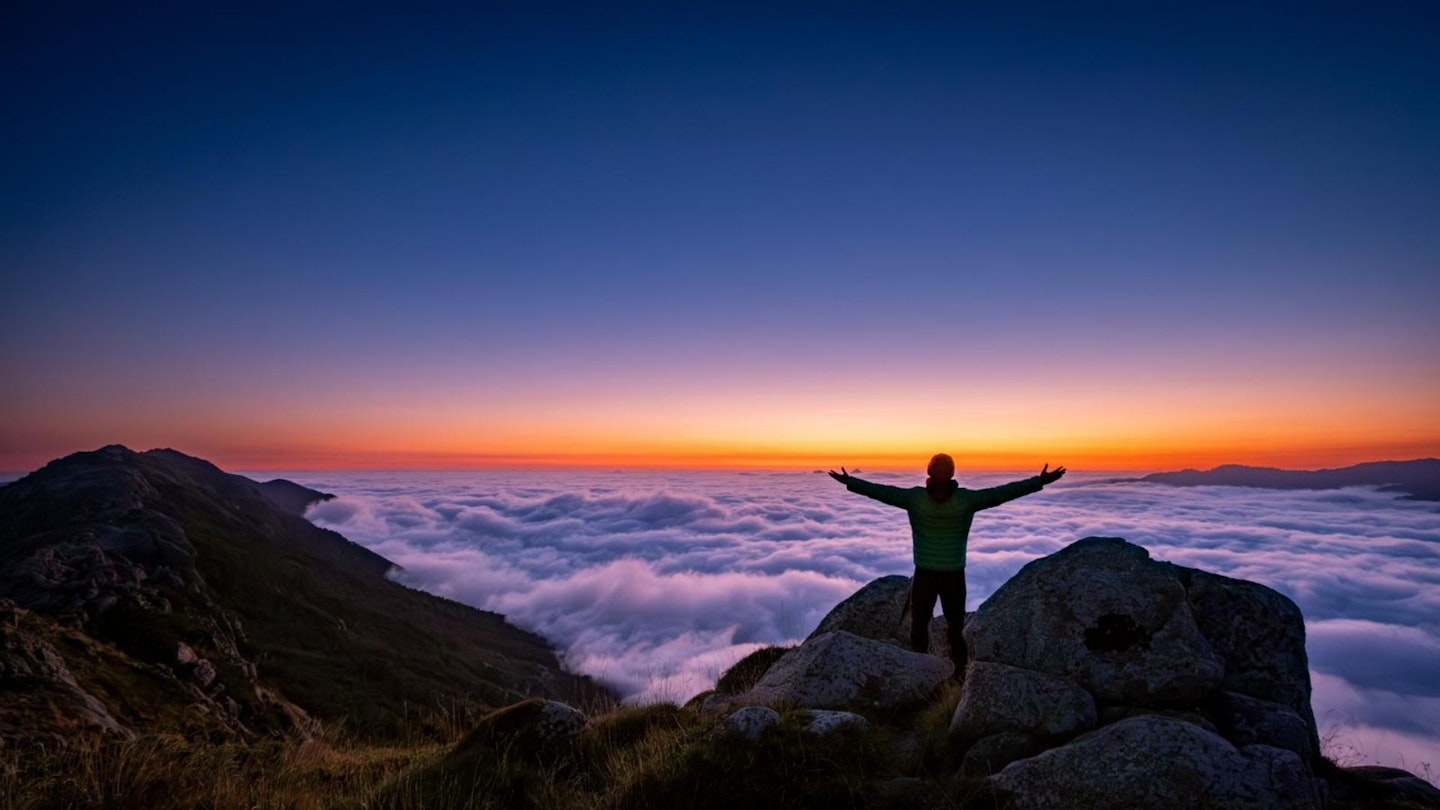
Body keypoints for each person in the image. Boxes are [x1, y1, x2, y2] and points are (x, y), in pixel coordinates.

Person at [828, 454, 1065, 673]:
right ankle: (959, 674)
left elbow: (881, 492)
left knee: (919, 625)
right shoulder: (966, 500)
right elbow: (1002, 493)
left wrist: (850, 482)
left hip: (924, 574)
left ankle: (919, 671)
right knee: (955, 627)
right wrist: (1039, 481)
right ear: (952, 474)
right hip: (954, 574)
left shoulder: (915, 498)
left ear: (929, 472)